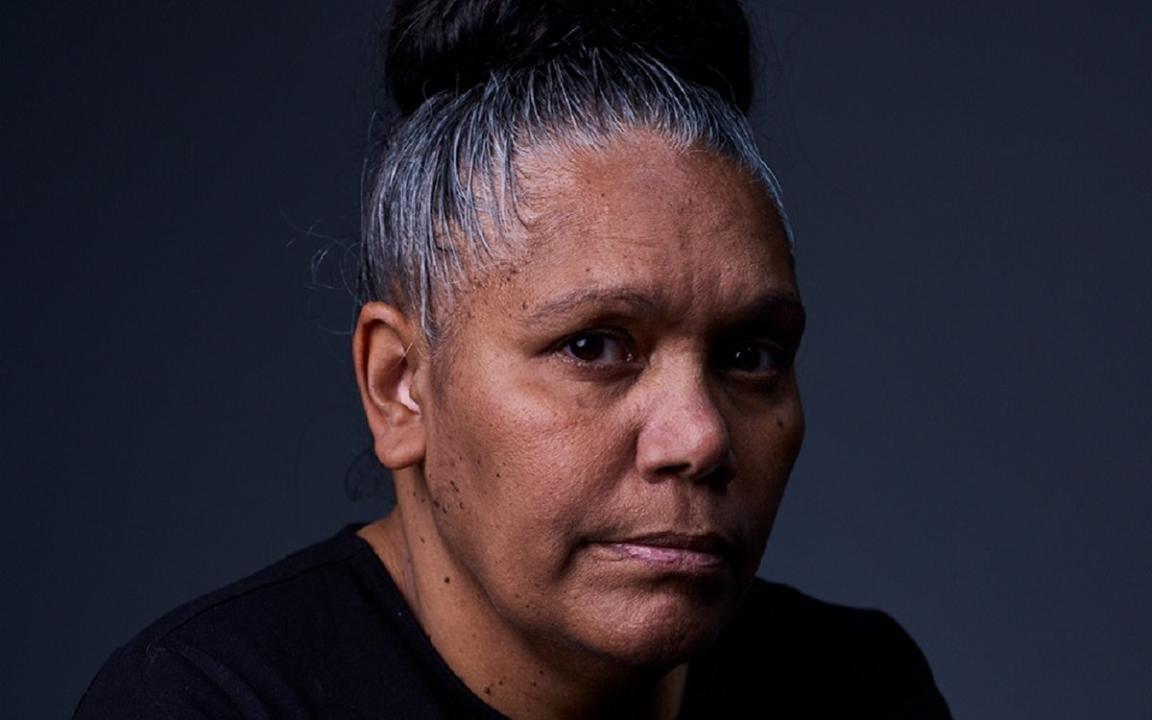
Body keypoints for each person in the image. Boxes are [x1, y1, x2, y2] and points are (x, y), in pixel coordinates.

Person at [75, 0, 951, 717]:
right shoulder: (207, 703)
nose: (700, 438)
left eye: (751, 354)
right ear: (399, 387)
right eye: (594, 346)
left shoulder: (856, 688)